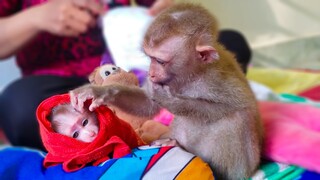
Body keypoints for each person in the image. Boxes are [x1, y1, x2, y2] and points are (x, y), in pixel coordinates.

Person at [0, 0, 174, 151]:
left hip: (125, 73)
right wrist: (36, 17)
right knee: (20, 108)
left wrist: (165, 14)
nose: (88, 132)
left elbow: (160, 8)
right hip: (59, 89)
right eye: (78, 130)